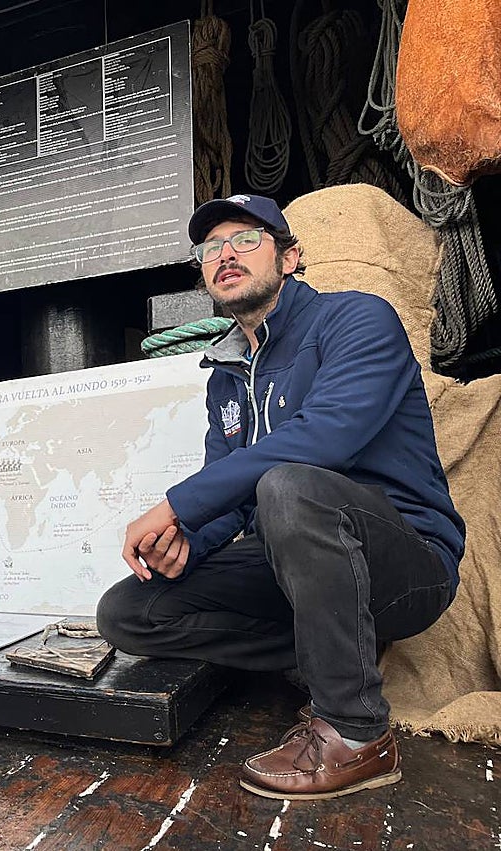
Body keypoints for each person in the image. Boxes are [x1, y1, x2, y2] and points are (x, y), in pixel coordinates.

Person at [96, 194, 464, 800]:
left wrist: (175, 506)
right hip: (298, 561)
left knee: (290, 483)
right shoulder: (226, 374)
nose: (225, 255)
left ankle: (356, 730)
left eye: (246, 239)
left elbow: (323, 438)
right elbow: (233, 498)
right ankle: (336, 648)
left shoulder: (357, 319)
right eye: (211, 247)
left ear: (291, 257)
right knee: (129, 612)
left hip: (407, 560)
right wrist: (189, 541)